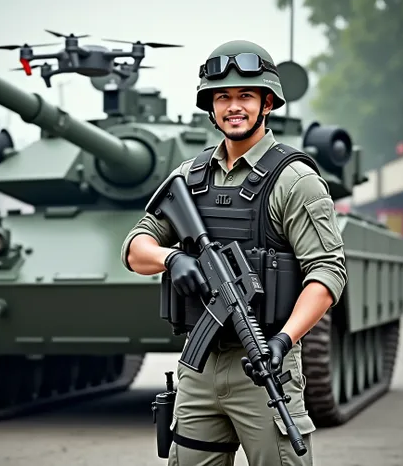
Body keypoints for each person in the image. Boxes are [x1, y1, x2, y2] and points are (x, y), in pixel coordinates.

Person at [121, 40, 348, 466]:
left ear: (267, 103)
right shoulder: (188, 177)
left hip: (265, 367)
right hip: (199, 367)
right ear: (210, 107)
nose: (233, 106)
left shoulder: (295, 181)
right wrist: (172, 258)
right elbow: (136, 247)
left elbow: (327, 273)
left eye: (245, 95)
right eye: (222, 97)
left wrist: (284, 339)